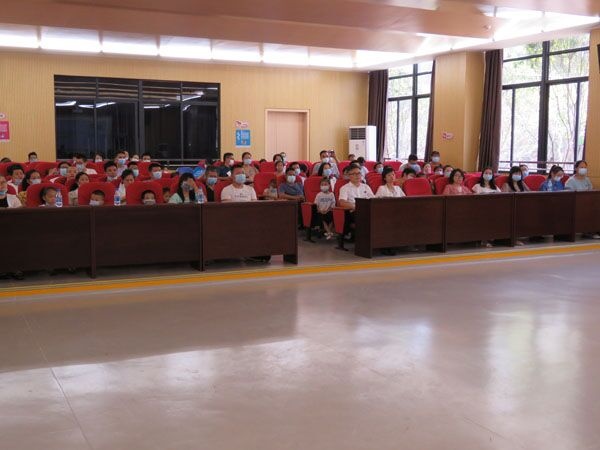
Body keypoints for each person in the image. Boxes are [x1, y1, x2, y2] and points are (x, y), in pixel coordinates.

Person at [339, 165, 374, 239]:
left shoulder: (366, 187)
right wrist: (357, 206)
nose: (357, 175)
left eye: (359, 173)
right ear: (349, 176)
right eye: (354, 174)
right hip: (353, 212)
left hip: (368, 210)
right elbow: (342, 202)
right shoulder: (344, 188)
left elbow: (373, 200)